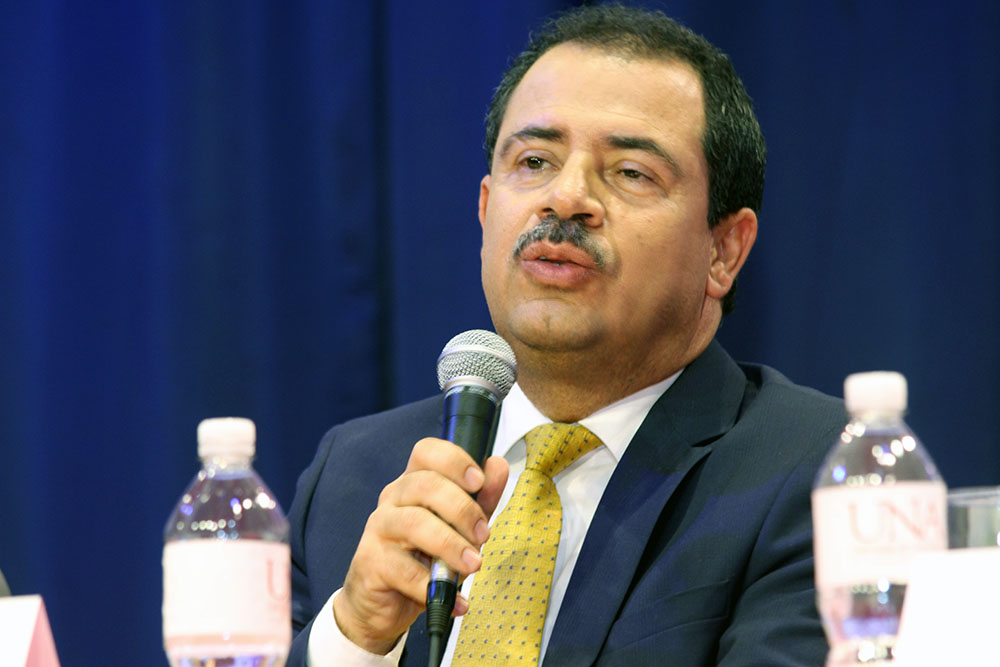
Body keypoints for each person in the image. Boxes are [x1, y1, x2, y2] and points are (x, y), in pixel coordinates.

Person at [287, 5, 845, 666]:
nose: (566, 196)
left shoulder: (820, 472)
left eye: (632, 172)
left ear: (724, 250)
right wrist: (355, 637)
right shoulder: (352, 477)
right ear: (486, 210)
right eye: (535, 161)